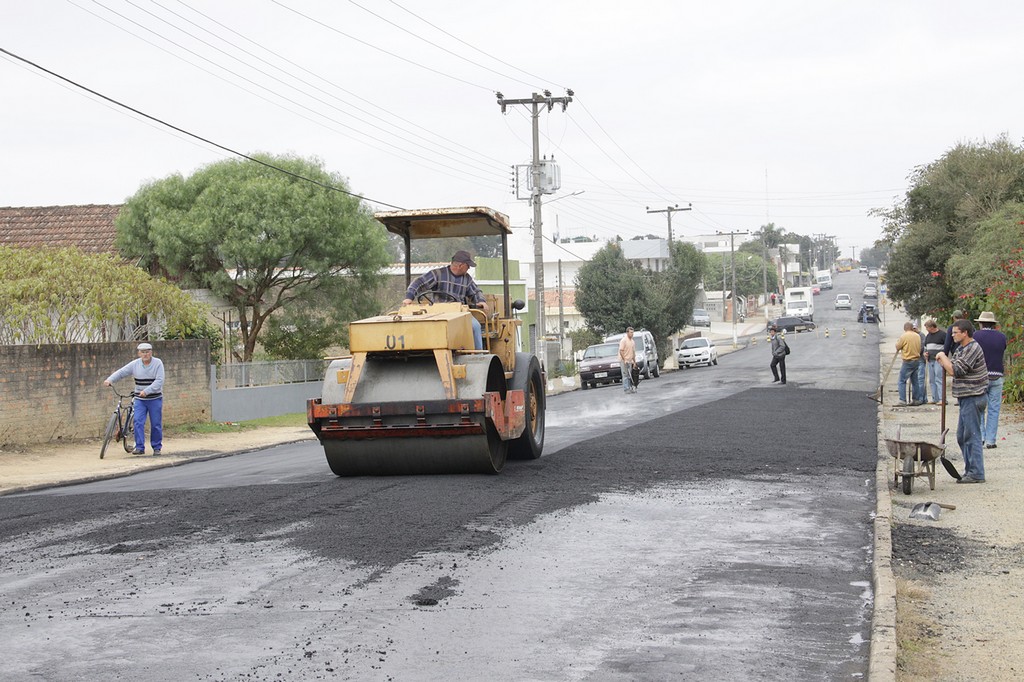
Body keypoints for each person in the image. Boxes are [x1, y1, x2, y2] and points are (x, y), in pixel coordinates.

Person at [936, 320, 989, 483]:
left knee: (972, 435)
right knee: (962, 436)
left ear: (965, 333)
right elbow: (953, 365)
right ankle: (970, 470)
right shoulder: (962, 349)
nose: (952, 335)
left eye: (955, 332)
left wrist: (943, 357)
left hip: (974, 396)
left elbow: (955, 370)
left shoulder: (972, 348)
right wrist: (945, 361)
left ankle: (976, 473)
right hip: (967, 397)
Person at [403, 250, 488, 350]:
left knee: (475, 326)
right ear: (461, 265)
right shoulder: (438, 274)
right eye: (468, 266)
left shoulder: (467, 279)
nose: (469, 268)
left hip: (459, 313)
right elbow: (419, 282)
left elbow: (476, 291)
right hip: (437, 312)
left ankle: (478, 355)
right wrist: (409, 297)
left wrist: (481, 300)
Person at [104, 342, 165, 455]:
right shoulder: (135, 364)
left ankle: (156, 447)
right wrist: (110, 380)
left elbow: (159, 381)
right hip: (140, 400)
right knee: (138, 422)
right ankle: (140, 447)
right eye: (143, 352)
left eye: (147, 352)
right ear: (139, 353)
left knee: (155, 423)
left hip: (154, 399)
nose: (145, 354)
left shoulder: (158, 363)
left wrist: (146, 391)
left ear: (151, 352)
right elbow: (121, 372)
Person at [973, 311, 1008, 449]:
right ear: (993, 324)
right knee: (994, 409)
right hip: (997, 375)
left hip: (980, 376)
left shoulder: (976, 336)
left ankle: (981, 436)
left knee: (980, 407)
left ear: (981, 323)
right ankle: (991, 440)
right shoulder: (1001, 337)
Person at [895, 322, 923, 406]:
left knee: (901, 381)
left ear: (905, 328)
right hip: (916, 360)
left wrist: (898, 343)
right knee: (915, 381)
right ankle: (916, 399)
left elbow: (898, 346)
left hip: (908, 360)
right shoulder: (917, 336)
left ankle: (902, 400)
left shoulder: (904, 336)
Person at [922, 319, 946, 405]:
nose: (927, 330)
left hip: (938, 360)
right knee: (932, 380)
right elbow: (925, 347)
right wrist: (925, 353)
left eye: (927, 328)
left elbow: (946, 347)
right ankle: (934, 398)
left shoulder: (942, 335)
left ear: (932, 327)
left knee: (939, 379)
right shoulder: (928, 336)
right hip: (930, 360)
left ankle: (942, 398)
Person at [618, 327, 637, 393]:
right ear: (627, 333)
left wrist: (634, 362)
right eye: (631, 332)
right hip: (624, 360)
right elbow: (621, 351)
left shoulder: (632, 341)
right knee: (625, 375)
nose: (632, 334)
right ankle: (626, 389)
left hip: (630, 360)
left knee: (630, 375)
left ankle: (630, 387)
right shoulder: (623, 340)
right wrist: (624, 359)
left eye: (632, 332)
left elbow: (633, 352)